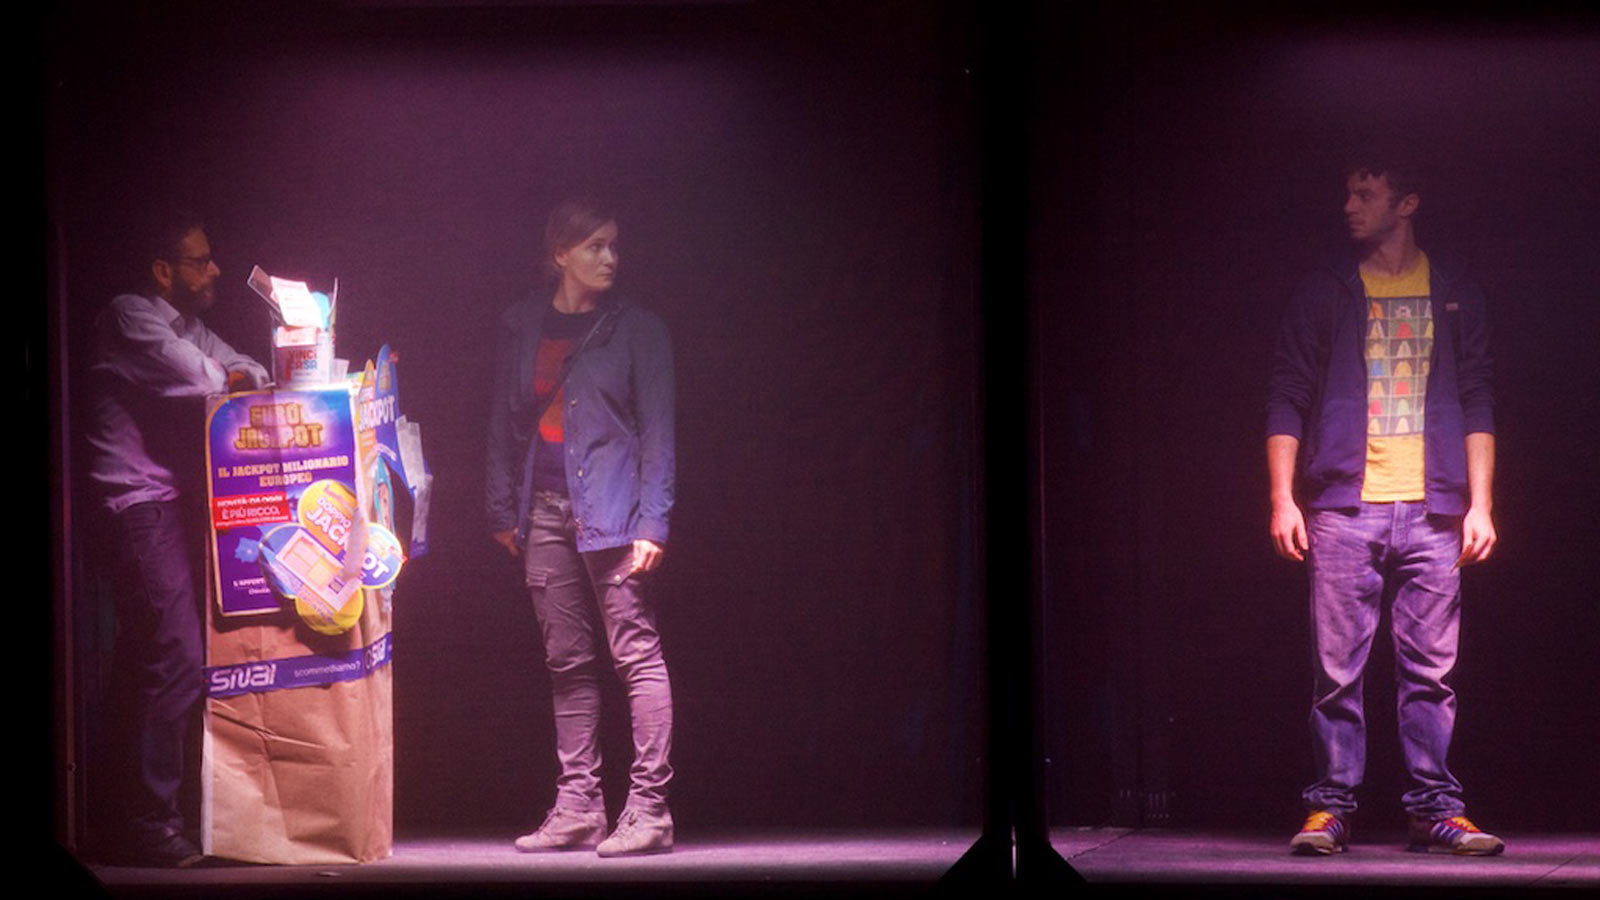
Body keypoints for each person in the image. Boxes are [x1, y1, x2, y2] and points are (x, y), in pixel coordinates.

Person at [1266, 157, 1504, 856]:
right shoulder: (1327, 290)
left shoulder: (1452, 288)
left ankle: (1434, 809)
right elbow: (1287, 393)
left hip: (1433, 509)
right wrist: (1282, 497)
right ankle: (1330, 808)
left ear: (1407, 203)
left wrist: (1481, 503)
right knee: (1336, 674)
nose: (1350, 205)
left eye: (1365, 194)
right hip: (1345, 507)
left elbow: (1478, 396)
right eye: (1347, 192)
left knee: (1431, 675)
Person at [485, 198, 676, 857]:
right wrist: (501, 508)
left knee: (635, 655)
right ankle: (579, 808)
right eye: (595, 246)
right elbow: (504, 421)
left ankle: (649, 810)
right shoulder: (523, 324)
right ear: (560, 254)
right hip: (543, 510)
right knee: (566, 664)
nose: (610, 258)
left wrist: (654, 521)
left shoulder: (639, 330)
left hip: (614, 515)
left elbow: (659, 433)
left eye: (614, 245)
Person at [85, 210, 270, 866]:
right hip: (135, 506)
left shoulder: (188, 325)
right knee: (174, 654)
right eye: (200, 260)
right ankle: (147, 823)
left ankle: (130, 817)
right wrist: (229, 374)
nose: (215, 269)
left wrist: (232, 372)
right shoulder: (129, 315)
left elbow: (245, 367)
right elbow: (202, 378)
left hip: (166, 505)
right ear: (163, 270)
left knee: (152, 657)